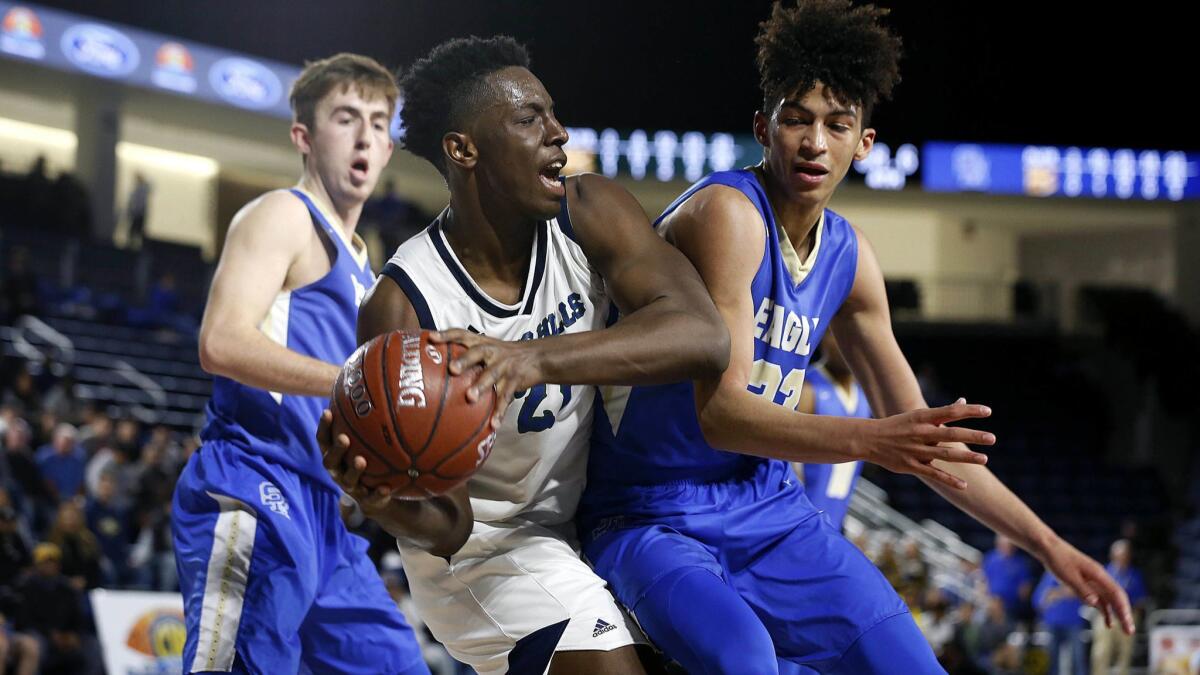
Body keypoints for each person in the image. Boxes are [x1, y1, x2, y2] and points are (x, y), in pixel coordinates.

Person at [575, 1, 1133, 672]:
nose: (814, 143)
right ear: (763, 126)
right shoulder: (727, 213)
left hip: (767, 506)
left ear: (863, 142)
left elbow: (929, 446)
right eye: (796, 120)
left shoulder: (850, 256)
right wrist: (875, 439)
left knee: (911, 664)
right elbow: (721, 415)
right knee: (745, 658)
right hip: (650, 512)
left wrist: (1050, 546)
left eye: (837, 125)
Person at [320, 35, 727, 675]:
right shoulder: (406, 305)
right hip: (486, 552)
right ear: (464, 149)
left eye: (553, 113)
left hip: (595, 519)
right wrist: (376, 499)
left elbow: (704, 336)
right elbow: (449, 525)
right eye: (529, 118)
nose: (559, 133)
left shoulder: (589, 210)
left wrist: (530, 359)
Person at [170, 53, 427, 674]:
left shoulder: (368, 269)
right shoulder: (282, 215)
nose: (365, 135)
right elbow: (222, 343)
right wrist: (356, 381)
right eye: (346, 118)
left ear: (390, 148)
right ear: (304, 137)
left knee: (398, 665)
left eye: (378, 121)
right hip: (256, 482)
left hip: (327, 515)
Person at [793, 331, 870, 531]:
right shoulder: (807, 387)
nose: (846, 344)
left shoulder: (864, 396)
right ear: (824, 339)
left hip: (835, 516)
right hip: (800, 519)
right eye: (835, 335)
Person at [1091, 539, 1146, 675]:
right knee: (1101, 651)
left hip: (1127, 616)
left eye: (1125, 554)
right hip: (1106, 615)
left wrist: (1133, 617)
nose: (1122, 557)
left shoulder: (1135, 575)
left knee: (1125, 653)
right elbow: (1095, 595)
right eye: (1119, 554)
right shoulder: (1104, 572)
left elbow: (1140, 600)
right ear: (1112, 555)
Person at [1034, 571, 1086, 675]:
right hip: (1052, 623)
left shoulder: (1074, 575)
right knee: (1051, 658)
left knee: (1077, 657)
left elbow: (1082, 594)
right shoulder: (1048, 576)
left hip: (1073, 623)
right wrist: (1052, 595)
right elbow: (1037, 601)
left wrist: (1058, 593)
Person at [124, 173, 151, 249]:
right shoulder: (141, 189)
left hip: (138, 214)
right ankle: (135, 245)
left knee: (135, 231)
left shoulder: (141, 189)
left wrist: (135, 211)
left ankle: (134, 246)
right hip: (139, 214)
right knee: (136, 231)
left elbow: (139, 203)